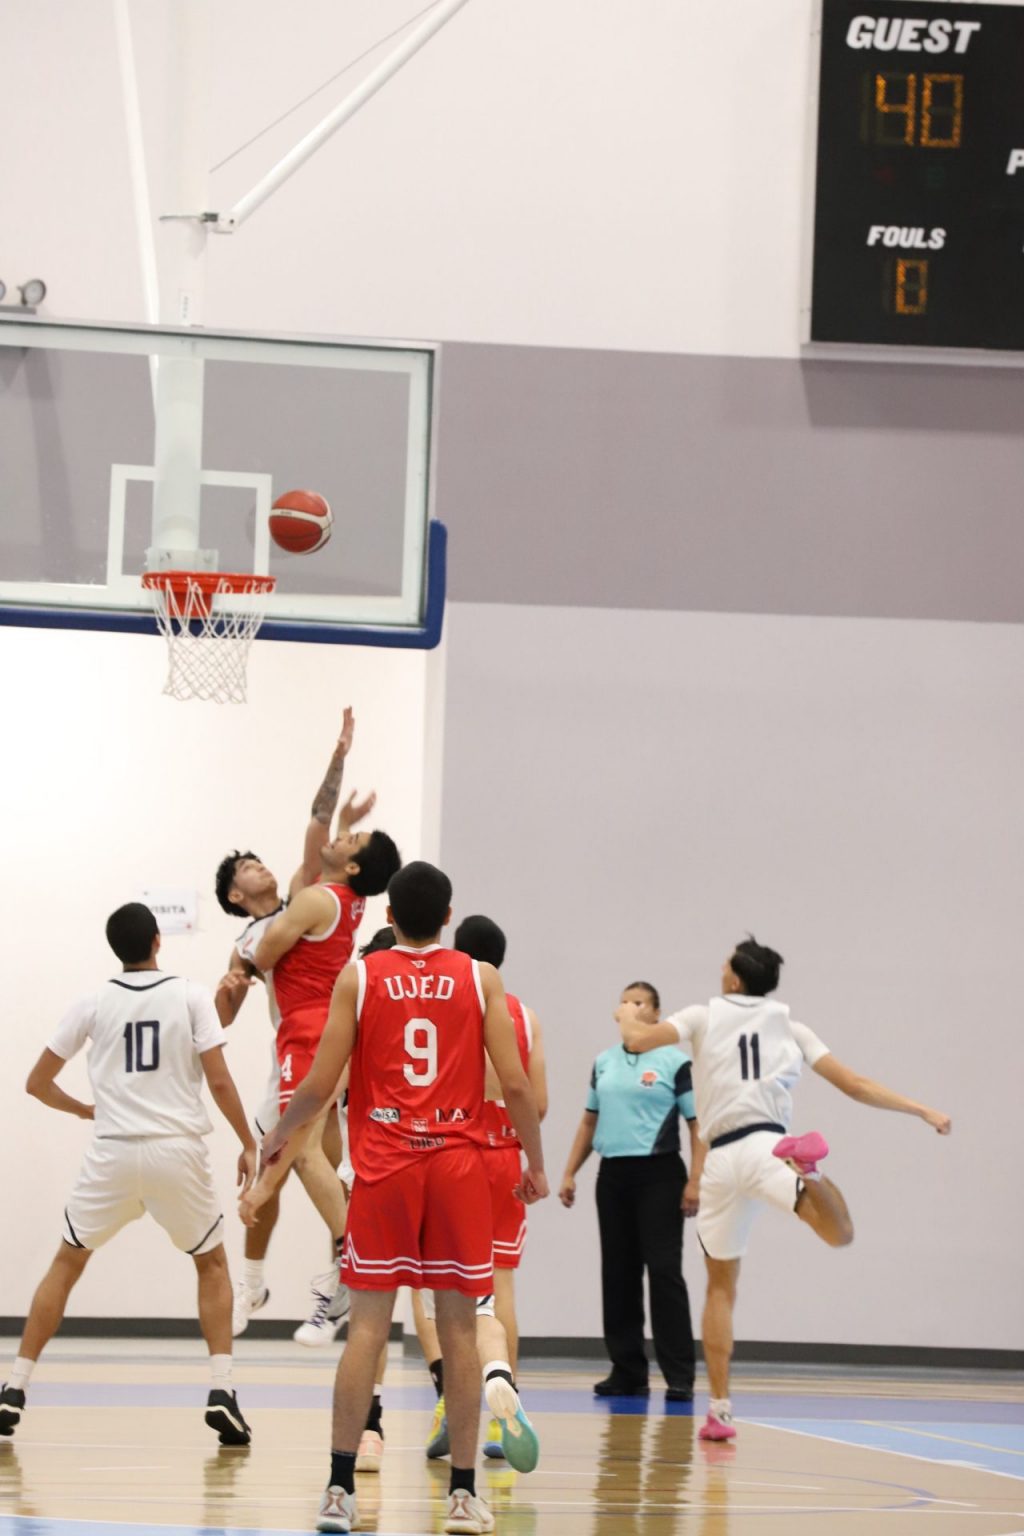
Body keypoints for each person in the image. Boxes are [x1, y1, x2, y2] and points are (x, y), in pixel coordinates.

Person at [241, 861, 548, 1536]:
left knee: (368, 1331)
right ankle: (463, 1494)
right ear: (448, 917)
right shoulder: (480, 977)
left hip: (384, 1168)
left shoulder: (359, 976)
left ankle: (339, 1489)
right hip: (457, 1169)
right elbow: (517, 1086)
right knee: (460, 1331)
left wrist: (277, 1138)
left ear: (388, 916)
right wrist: (536, 1161)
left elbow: (319, 1085)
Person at [619, 936, 952, 1443]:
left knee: (720, 1287)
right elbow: (855, 1084)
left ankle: (720, 1411)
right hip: (769, 1146)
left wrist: (627, 1014)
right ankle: (810, 1173)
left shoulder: (703, 1015)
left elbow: (637, 1041)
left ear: (734, 978)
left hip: (721, 1157)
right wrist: (921, 1109)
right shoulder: (790, 1026)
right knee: (839, 1234)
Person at [0, 903, 256, 1446]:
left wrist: (83, 1110)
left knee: (67, 1262)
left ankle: (15, 1386)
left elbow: (36, 1083)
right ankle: (222, 1390)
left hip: (112, 1153)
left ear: (115, 947)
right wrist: (248, 1142)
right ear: (158, 940)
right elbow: (219, 1081)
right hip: (176, 1151)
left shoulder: (92, 1002)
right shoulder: (191, 996)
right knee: (211, 1264)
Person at [214, 706, 375, 1343]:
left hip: (318, 1040)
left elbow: (318, 822)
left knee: (295, 1159)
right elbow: (224, 1017)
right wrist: (228, 992)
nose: (260, 866)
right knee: (289, 1164)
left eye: (259, 860)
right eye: (246, 868)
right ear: (236, 895)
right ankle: (263, 1282)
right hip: (296, 1046)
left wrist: (338, 756)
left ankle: (339, 1274)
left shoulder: (306, 895)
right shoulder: (244, 943)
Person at [421, 914, 547, 1467]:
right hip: (507, 1158)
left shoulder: (451, 1000)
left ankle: (452, 1402)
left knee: (441, 1286)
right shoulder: (525, 1015)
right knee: (502, 1288)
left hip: (457, 1153)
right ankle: (504, 1405)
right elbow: (537, 1101)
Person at [248, 817, 401, 1266]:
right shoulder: (350, 899)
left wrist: (261, 1190)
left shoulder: (315, 900)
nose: (339, 836)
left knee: (301, 1149)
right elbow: (319, 843)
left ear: (353, 867)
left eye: (350, 838)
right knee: (331, 1156)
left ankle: (351, 1254)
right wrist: (343, 813)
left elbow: (263, 956)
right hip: (330, 1023)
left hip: (306, 1030)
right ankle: (354, 1249)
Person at [559, 981, 699, 1402]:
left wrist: (696, 1180)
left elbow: (697, 1126)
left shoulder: (675, 1062)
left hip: (660, 1174)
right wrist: (570, 1172)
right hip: (614, 1176)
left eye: (639, 1002)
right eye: (624, 1001)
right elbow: (589, 1120)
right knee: (618, 1274)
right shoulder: (604, 1062)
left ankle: (679, 1375)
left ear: (656, 1014)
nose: (630, 1007)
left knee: (664, 1271)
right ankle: (627, 1369)